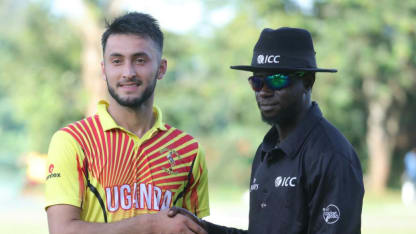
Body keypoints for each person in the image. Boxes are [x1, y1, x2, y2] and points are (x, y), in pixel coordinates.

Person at [169, 27, 364, 234]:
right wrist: (200, 229)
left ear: (307, 82)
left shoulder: (331, 156)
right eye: (257, 82)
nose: (263, 91)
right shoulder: (266, 151)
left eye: (276, 80)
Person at [45, 12, 209, 234]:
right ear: (104, 69)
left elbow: (191, 229)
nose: (128, 72)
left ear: (161, 68)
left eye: (140, 60)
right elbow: (62, 230)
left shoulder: (189, 150)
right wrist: (149, 224)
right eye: (117, 61)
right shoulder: (72, 141)